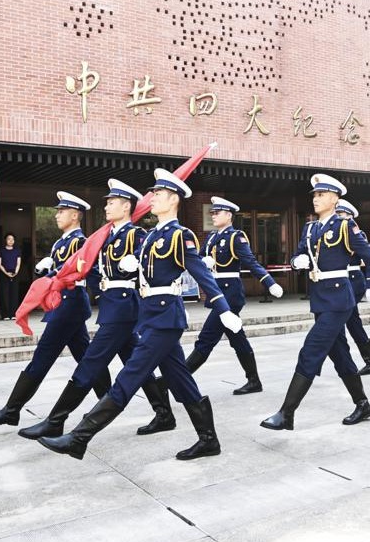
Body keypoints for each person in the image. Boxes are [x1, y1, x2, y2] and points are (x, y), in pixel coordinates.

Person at [37, 168, 243, 461]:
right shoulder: (151, 236)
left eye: (158, 194)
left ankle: (79, 437)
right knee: (181, 380)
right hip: (151, 317)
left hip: (166, 318)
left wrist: (223, 309)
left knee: (128, 377)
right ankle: (208, 440)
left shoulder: (179, 236)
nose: (152, 198)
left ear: (172, 200)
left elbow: (202, 275)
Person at [17, 179, 175, 440]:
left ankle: (57, 420)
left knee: (90, 363)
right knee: (138, 363)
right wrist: (63, 276)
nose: (107, 207)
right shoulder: (105, 237)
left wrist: (136, 263)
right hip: (111, 305)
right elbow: (90, 270)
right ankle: (164, 413)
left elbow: (152, 266)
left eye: (112, 203)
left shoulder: (137, 235)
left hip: (124, 307)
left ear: (126, 207)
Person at [260, 174, 370, 431]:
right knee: (340, 355)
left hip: (339, 299)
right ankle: (362, 404)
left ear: (335, 198)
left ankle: (286, 413)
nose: (316, 199)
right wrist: (297, 262)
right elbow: (297, 256)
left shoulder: (344, 226)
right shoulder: (309, 228)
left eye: (321, 195)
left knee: (311, 350)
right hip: (319, 298)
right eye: (314, 195)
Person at [0, 192, 111, 427]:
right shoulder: (61, 242)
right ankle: (108, 402)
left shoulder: (80, 242)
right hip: (63, 304)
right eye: (57, 211)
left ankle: (11, 410)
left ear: (75, 215)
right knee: (88, 358)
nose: (57, 215)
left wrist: (105, 298)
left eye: (62, 211)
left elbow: (86, 272)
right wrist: (48, 271)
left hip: (70, 304)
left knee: (43, 355)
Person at [185, 196, 284, 393]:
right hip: (217, 293)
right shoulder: (212, 237)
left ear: (229, 215)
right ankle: (254, 380)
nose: (213, 216)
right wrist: (203, 261)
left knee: (206, 339)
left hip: (230, 295)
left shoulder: (235, 237)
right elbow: (198, 257)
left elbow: (251, 262)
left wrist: (270, 283)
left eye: (217, 212)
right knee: (237, 337)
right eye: (212, 213)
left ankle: (176, 379)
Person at [335, 199, 370, 375]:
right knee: (352, 323)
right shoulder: (334, 231)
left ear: (350, 216)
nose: (338, 217)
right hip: (341, 281)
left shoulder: (356, 233)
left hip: (353, 280)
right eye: (337, 214)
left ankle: (361, 363)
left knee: (346, 321)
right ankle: (366, 363)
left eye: (341, 214)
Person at [0, 233, 21, 320]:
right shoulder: (1, 250)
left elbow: (18, 263)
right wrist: (6, 273)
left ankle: (14, 314)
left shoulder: (17, 250)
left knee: (14, 294)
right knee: (5, 294)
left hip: (15, 273)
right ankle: (5, 314)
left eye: (12, 239)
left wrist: (16, 272)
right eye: (9, 239)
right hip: (4, 274)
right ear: (5, 240)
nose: (11, 241)